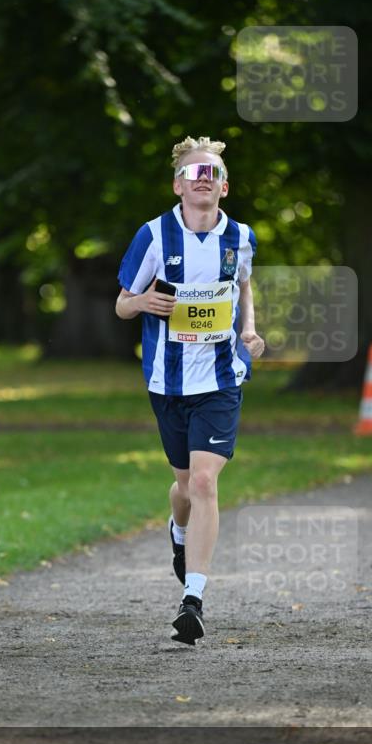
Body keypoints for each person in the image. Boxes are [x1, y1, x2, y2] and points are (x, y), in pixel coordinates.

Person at [115, 135, 265, 645]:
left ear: (225, 186)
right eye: (194, 174)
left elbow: (243, 285)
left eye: (212, 174)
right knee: (183, 486)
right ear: (179, 185)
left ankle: (192, 601)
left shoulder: (241, 236)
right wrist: (144, 304)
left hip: (222, 378)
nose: (204, 181)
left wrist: (249, 331)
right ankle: (178, 533)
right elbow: (121, 304)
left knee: (204, 483)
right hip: (168, 382)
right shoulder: (154, 236)